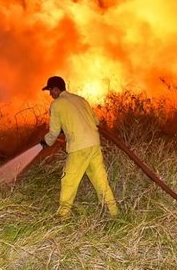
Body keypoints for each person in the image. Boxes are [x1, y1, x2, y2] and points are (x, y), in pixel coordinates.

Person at [40, 76, 119, 218]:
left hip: (79, 147)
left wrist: (46, 142)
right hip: (94, 144)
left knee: (69, 180)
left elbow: (54, 131)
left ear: (56, 89)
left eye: (50, 90)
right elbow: (96, 121)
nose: (50, 94)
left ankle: (62, 216)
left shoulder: (57, 104)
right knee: (100, 179)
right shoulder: (80, 100)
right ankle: (113, 212)